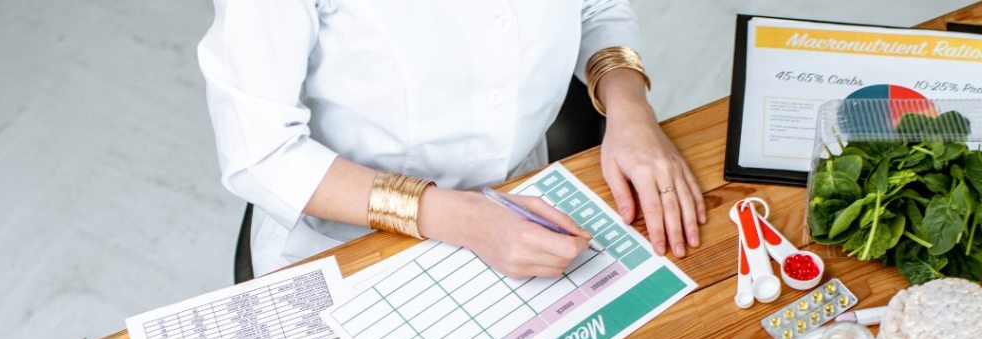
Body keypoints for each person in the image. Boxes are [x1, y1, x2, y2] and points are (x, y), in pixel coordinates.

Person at [198, 1, 706, 279]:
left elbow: (596, 8)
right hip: (349, 242)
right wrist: (466, 220)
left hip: (522, 199)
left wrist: (629, 107)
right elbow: (260, 152)